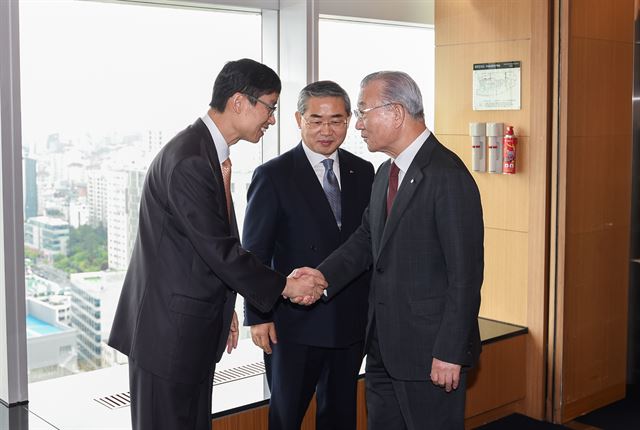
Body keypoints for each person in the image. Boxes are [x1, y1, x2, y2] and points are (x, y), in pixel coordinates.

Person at [108, 58, 326, 430]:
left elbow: (203, 251)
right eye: (269, 107)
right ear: (240, 102)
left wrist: (224, 310)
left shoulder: (206, 153)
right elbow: (220, 251)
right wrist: (286, 285)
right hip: (167, 338)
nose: (271, 119)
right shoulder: (191, 160)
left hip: (187, 330)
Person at [297, 71, 484, 429]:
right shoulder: (386, 173)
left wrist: (449, 351)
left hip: (430, 353)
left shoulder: (446, 175)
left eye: (364, 112)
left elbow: (466, 275)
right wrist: (322, 276)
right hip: (383, 347)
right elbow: (366, 239)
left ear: (396, 113)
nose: (359, 125)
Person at [243, 80, 374, 430]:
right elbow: (254, 252)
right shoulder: (272, 175)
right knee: (286, 417)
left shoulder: (364, 172)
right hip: (293, 324)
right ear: (298, 120)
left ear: (349, 120)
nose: (326, 130)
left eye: (336, 120)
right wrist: (257, 315)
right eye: (316, 120)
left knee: (340, 415)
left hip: (349, 318)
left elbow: (369, 247)